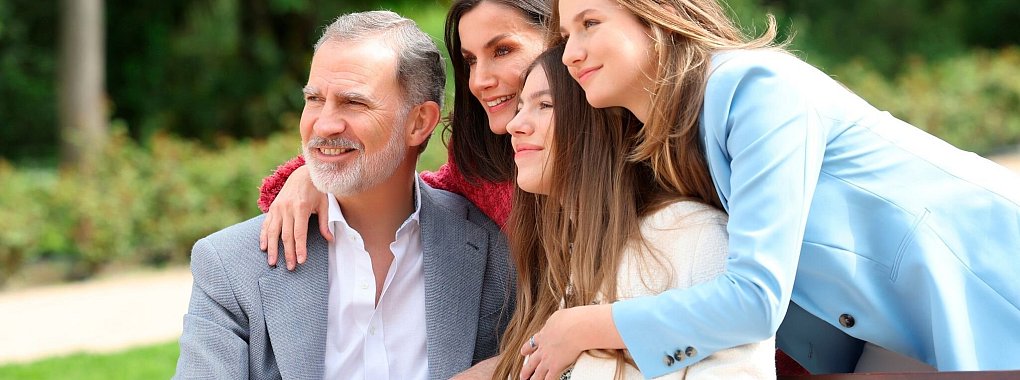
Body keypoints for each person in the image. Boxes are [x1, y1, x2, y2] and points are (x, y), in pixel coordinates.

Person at [514, 0, 1020, 377]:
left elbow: (755, 299)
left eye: (590, 23)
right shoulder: (674, 138)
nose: (572, 53)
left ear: (658, 14)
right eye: (566, 35)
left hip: (986, 280)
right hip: (897, 332)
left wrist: (585, 327)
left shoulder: (753, 88)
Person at [173, 11, 513, 380]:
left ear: (419, 123)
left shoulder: (499, 250)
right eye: (314, 98)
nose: (324, 124)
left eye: (354, 102)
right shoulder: (229, 265)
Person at [494, 44, 776, 379]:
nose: (515, 125)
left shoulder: (691, 234)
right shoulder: (559, 264)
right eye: (520, 108)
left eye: (544, 105)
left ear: (598, 122)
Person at [256, 0, 550, 270]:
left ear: (558, 38)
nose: (479, 80)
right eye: (470, 60)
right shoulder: (482, 168)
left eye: (502, 51)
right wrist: (311, 175)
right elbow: (412, 195)